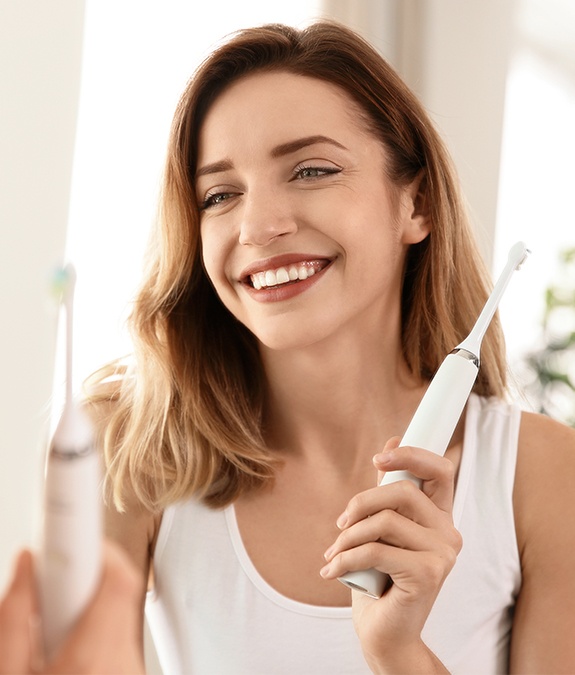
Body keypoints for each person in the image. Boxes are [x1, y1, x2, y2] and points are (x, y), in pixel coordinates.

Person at [2, 19, 575, 674]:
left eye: (310, 170)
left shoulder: (541, 475)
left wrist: (397, 652)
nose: (259, 225)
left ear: (414, 203)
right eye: (219, 194)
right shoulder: (132, 449)